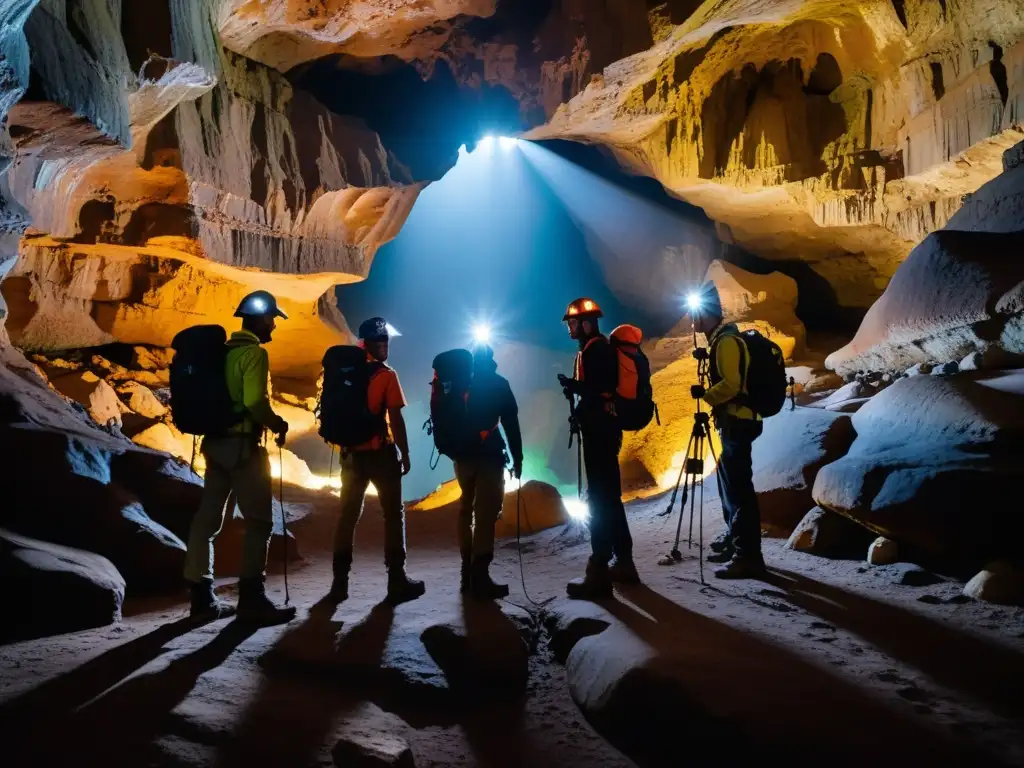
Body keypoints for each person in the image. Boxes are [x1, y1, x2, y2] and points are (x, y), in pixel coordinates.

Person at [183, 290, 296, 624]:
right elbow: (254, 403)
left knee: (207, 522)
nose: (273, 326)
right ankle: (252, 599)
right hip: (243, 448)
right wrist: (278, 423)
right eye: (272, 319)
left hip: (214, 445)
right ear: (260, 319)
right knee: (259, 522)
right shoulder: (253, 354)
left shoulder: (221, 353)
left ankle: (201, 597)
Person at [328, 317, 425, 604]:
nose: (386, 346)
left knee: (347, 516)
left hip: (351, 456)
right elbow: (395, 417)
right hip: (380, 453)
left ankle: (339, 584)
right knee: (394, 515)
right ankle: (397, 579)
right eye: (383, 342)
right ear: (371, 344)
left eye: (387, 342)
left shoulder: (343, 372)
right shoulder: (385, 375)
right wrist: (405, 453)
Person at [557, 297, 638, 600]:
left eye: (574, 323)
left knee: (601, 499)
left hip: (599, 434)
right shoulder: (597, 348)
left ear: (586, 324)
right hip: (605, 431)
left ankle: (599, 570)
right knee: (610, 497)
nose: (571, 328)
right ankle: (624, 562)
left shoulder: (596, 350)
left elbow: (597, 391)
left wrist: (576, 391)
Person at [689, 284, 767, 579]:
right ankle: (736, 542)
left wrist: (706, 395)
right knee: (730, 481)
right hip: (736, 420)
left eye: (696, 313)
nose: (692, 320)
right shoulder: (721, 341)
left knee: (739, 488)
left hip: (738, 420)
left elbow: (733, 384)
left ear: (708, 315)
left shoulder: (726, 343)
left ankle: (748, 555)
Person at [451, 343, 524, 600]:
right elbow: (511, 424)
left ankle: (465, 571)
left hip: (462, 456)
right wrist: (518, 458)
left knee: (465, 507)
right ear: (491, 359)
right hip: (489, 455)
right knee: (485, 513)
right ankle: (479, 575)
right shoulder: (498, 383)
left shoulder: (459, 383)